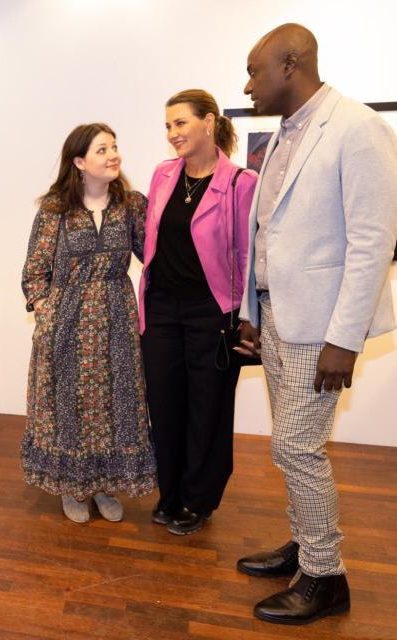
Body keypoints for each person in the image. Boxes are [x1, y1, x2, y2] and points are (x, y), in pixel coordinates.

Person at [235, 23, 397, 625]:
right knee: (292, 447)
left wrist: (344, 341)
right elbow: (269, 232)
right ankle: (306, 545)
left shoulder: (356, 128)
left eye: (254, 71)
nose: (247, 84)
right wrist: (255, 313)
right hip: (279, 317)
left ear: (290, 64)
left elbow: (372, 242)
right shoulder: (286, 133)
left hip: (322, 329)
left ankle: (326, 577)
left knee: (297, 448)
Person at [21, 123, 156, 524]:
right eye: (102, 150)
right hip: (66, 322)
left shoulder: (131, 205)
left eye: (115, 147)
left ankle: (103, 486)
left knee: (114, 404)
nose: (113, 155)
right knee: (69, 407)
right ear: (79, 161)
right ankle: (73, 488)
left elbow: (155, 254)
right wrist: (47, 311)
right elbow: (33, 272)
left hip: (116, 318)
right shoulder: (55, 209)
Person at [138, 90, 257, 536]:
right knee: (165, 404)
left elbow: (246, 256)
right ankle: (169, 494)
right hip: (162, 309)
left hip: (212, 313)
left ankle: (198, 500)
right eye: (168, 126)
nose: (172, 134)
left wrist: (250, 317)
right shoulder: (163, 175)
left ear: (209, 122)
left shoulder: (240, 183)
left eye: (180, 123)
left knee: (207, 408)